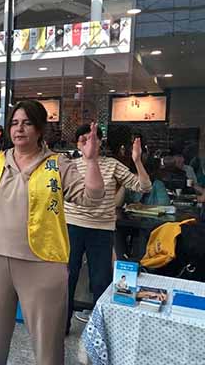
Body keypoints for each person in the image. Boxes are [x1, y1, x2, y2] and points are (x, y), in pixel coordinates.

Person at [0, 100, 104, 365]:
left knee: (47, 343)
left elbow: (92, 197)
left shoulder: (57, 164)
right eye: (14, 123)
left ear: (40, 129)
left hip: (42, 263)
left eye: (27, 123)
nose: (19, 129)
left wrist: (91, 161)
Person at [65, 125, 151, 331]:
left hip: (101, 229)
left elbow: (144, 186)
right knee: (66, 278)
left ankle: (99, 330)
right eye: (83, 139)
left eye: (93, 138)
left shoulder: (112, 165)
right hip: (71, 226)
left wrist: (137, 161)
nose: (88, 143)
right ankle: (61, 325)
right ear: (77, 144)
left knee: (100, 281)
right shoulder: (70, 165)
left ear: (100, 143)